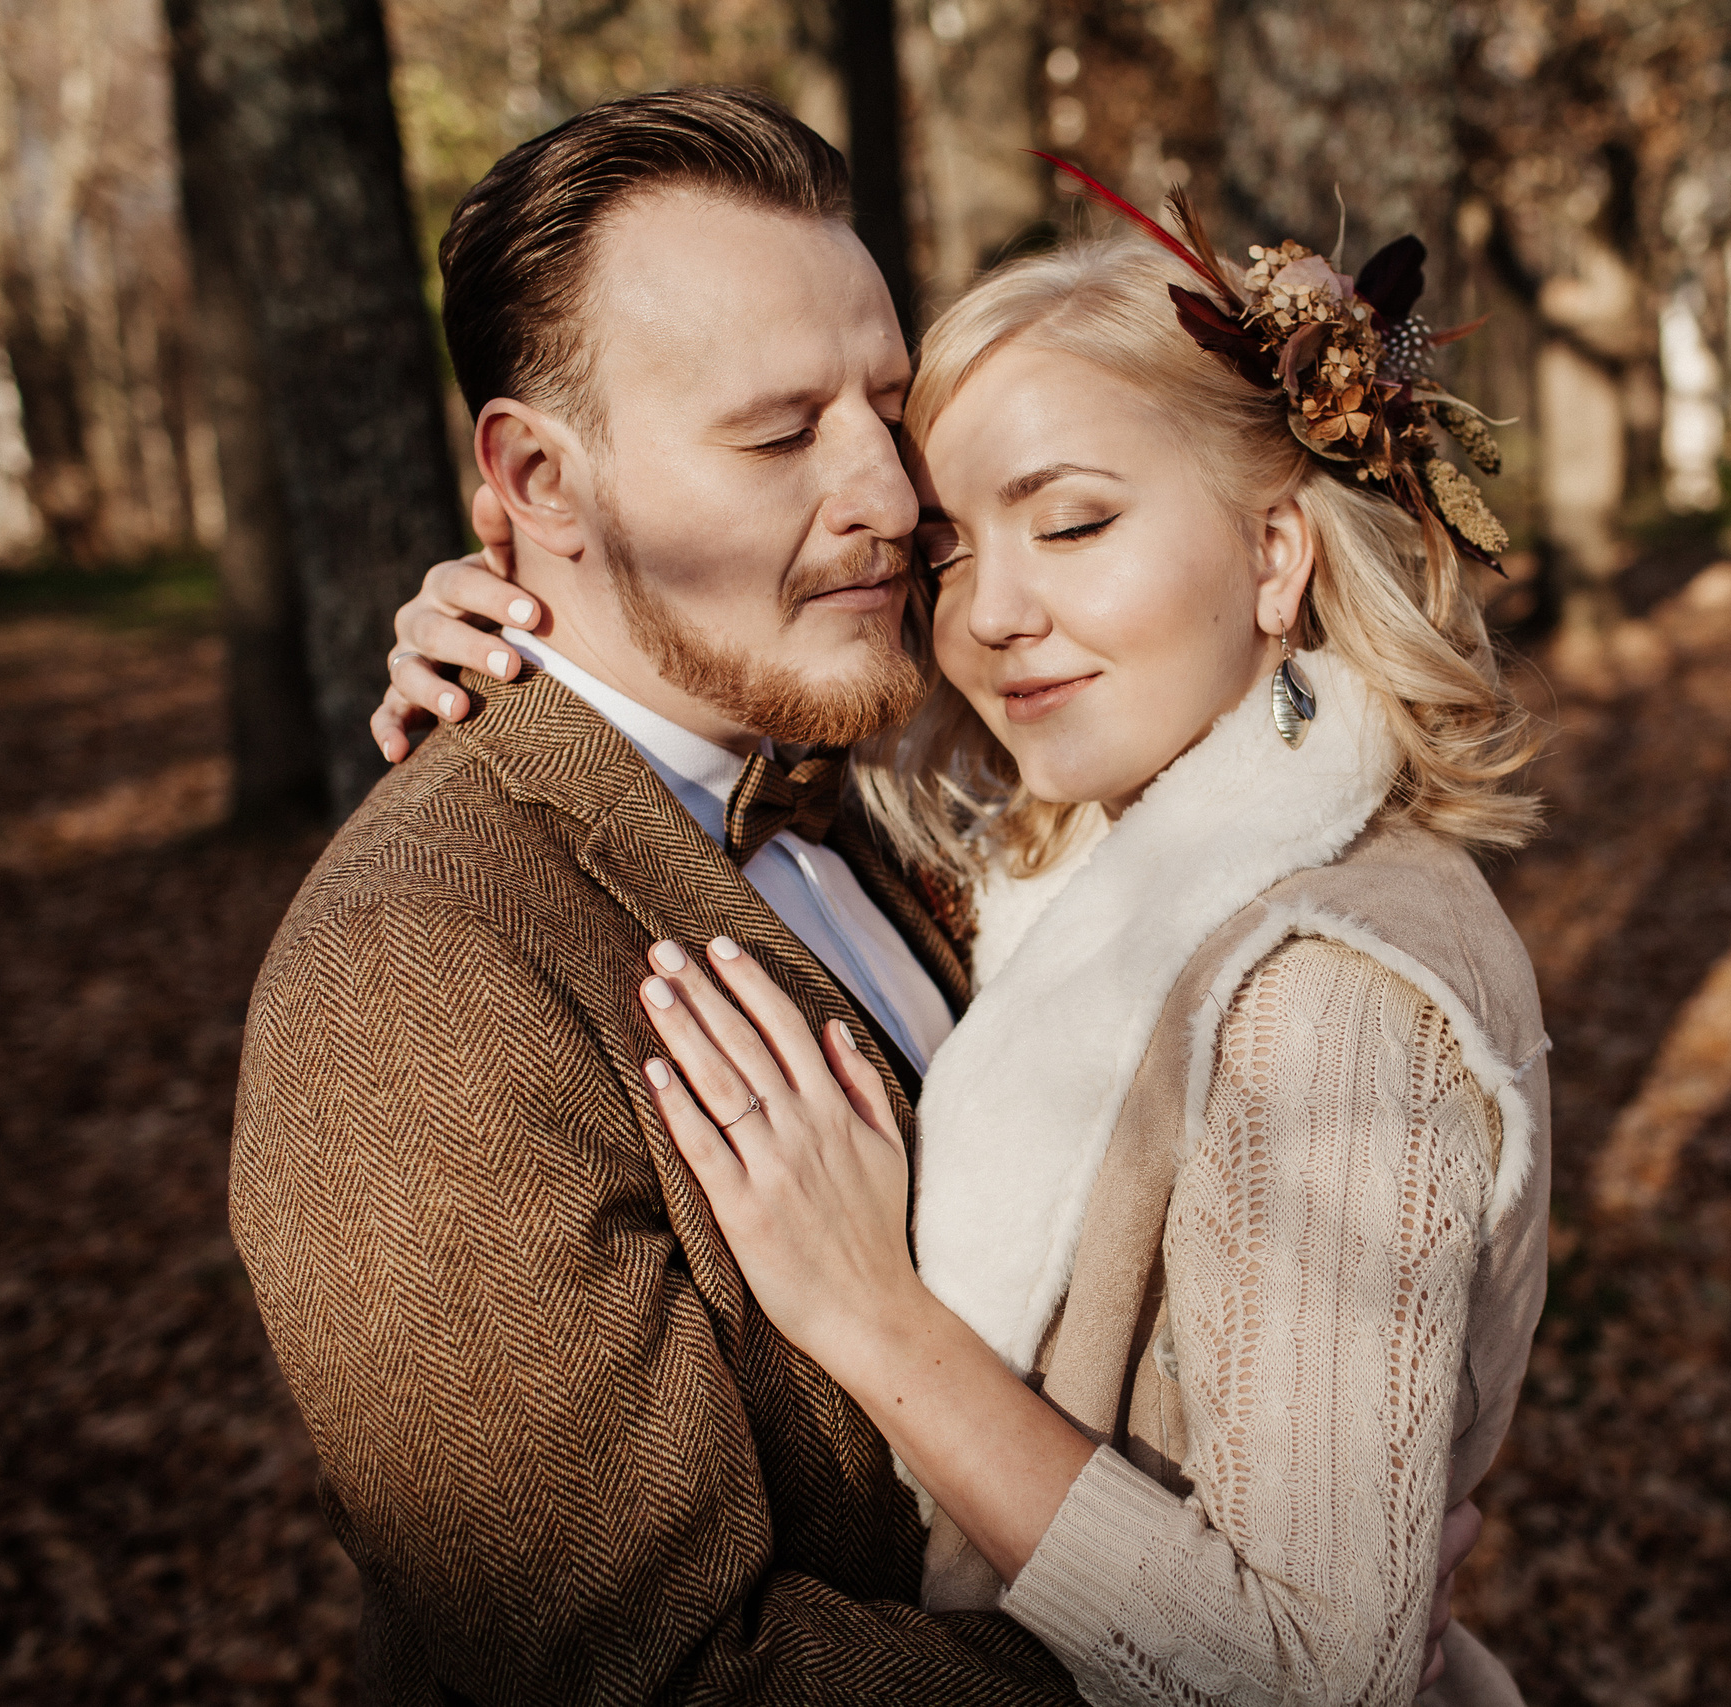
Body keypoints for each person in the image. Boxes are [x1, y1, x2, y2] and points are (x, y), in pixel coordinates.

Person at [379, 153, 1552, 1703]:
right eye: (949, 550)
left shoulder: (1322, 994)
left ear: (1277, 554)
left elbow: (1308, 1678)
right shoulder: (1055, 859)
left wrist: (877, 1322)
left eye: (1071, 525)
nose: (987, 614)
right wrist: (536, 596)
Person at [231, 87, 1082, 1703]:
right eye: (776, 435)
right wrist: (1211, 1647)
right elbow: (660, 1677)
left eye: (886, 409)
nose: (891, 498)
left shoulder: (871, 774)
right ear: (536, 482)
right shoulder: (412, 982)